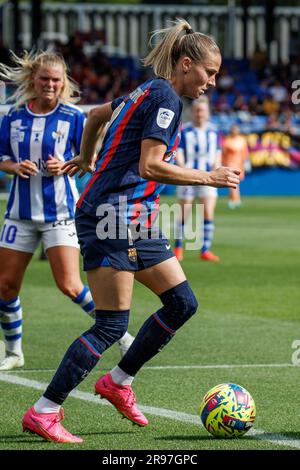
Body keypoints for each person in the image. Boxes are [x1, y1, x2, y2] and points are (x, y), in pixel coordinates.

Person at [22, 20, 240, 444]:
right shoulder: (165, 99)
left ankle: (118, 382)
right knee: (110, 324)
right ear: (186, 63)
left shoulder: (145, 90)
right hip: (111, 216)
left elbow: (96, 117)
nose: (212, 83)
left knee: (181, 303)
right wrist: (208, 178)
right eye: (208, 73)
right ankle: (44, 411)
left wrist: (86, 159)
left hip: (133, 217)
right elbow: (150, 165)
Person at [0, 50, 134, 371]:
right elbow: (1, 157)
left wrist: (68, 164)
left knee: (70, 285)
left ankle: (121, 335)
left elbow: (89, 162)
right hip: (19, 214)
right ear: (34, 79)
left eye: (55, 80)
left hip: (60, 213)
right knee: (5, 287)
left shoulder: (73, 117)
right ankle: (14, 352)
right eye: (44, 78)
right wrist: (14, 166)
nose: (49, 84)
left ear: (63, 84)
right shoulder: (14, 115)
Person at [174, 95, 222, 262]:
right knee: (184, 212)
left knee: (208, 212)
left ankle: (205, 250)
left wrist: (215, 172)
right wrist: (183, 170)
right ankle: (178, 247)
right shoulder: (185, 130)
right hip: (187, 176)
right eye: (196, 110)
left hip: (208, 177)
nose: (199, 114)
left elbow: (217, 153)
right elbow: (178, 152)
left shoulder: (214, 131)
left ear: (207, 112)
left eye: (201, 110)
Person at [222, 124, 249, 208]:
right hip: (230, 164)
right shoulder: (227, 141)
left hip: (240, 164)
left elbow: (245, 152)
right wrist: (222, 163)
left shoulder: (242, 140)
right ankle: (235, 200)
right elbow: (223, 154)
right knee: (233, 182)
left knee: (237, 183)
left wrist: (247, 162)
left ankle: (231, 199)